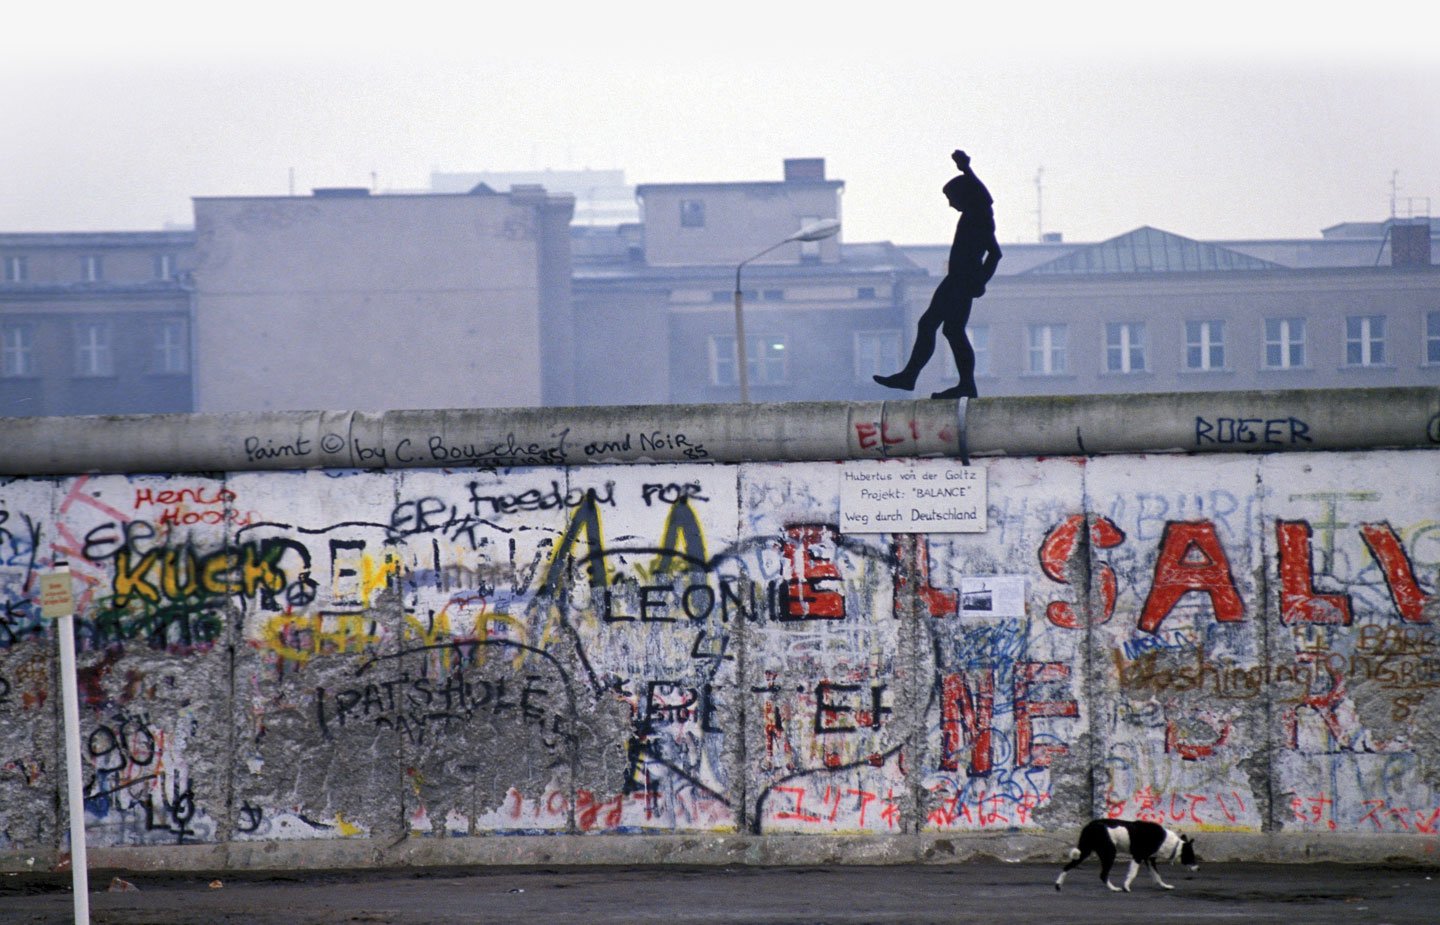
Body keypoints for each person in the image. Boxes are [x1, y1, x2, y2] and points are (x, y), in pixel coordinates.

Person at [874, 150, 1001, 398]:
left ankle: (915, 377)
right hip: (959, 279)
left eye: (951, 197)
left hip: (961, 280)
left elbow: (995, 253)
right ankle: (954, 383)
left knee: (933, 325)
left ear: (964, 196)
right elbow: (982, 199)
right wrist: (966, 170)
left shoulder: (979, 216)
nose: (950, 203)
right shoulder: (974, 215)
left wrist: (980, 281)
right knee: (948, 330)